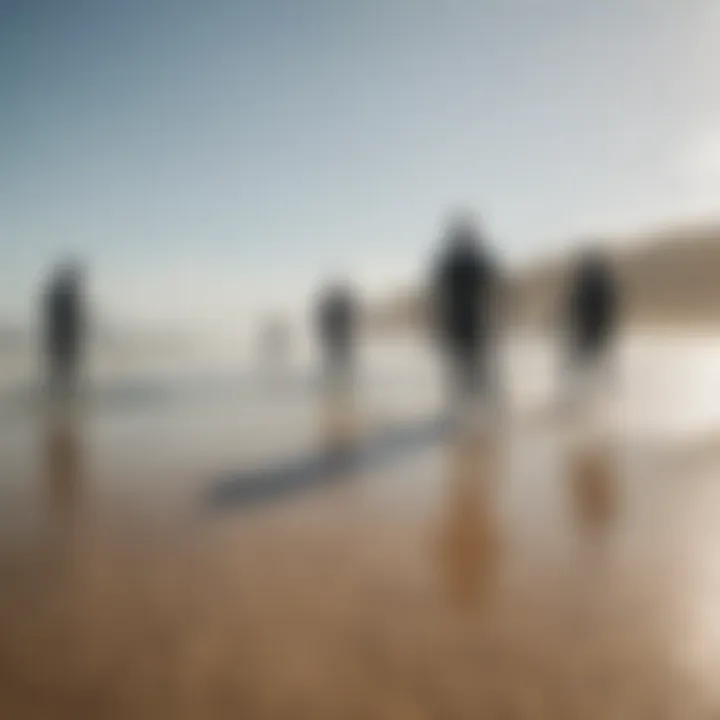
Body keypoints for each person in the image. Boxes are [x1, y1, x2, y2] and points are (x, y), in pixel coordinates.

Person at [430, 213, 503, 411]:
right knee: (474, 364)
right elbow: (494, 288)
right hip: (472, 320)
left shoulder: (453, 262)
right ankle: (480, 401)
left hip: (464, 321)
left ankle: (476, 400)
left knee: (469, 363)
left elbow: (439, 296)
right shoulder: (473, 261)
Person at [562, 245, 619, 398]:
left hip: (588, 328)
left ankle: (583, 393)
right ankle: (597, 392)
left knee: (585, 361)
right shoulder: (602, 281)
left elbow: (575, 304)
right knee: (593, 361)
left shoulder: (588, 282)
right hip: (594, 328)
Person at [43, 260, 86, 398]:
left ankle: (60, 393)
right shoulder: (67, 297)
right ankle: (63, 393)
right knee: (65, 366)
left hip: (60, 338)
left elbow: (54, 319)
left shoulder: (58, 295)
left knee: (61, 366)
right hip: (65, 338)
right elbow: (73, 320)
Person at [316, 279, 357, 385]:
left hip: (338, 336)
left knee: (338, 357)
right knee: (338, 357)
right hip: (338, 336)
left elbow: (349, 319)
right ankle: (341, 378)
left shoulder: (333, 304)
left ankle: (340, 378)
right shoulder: (340, 304)